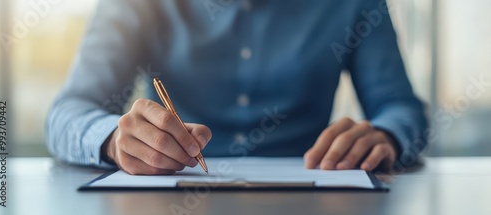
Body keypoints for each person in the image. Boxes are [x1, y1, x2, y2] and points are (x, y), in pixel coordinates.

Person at [46, 0, 427, 175]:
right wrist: (113, 140)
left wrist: (386, 135)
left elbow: (401, 107)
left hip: (316, 194)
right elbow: (67, 112)